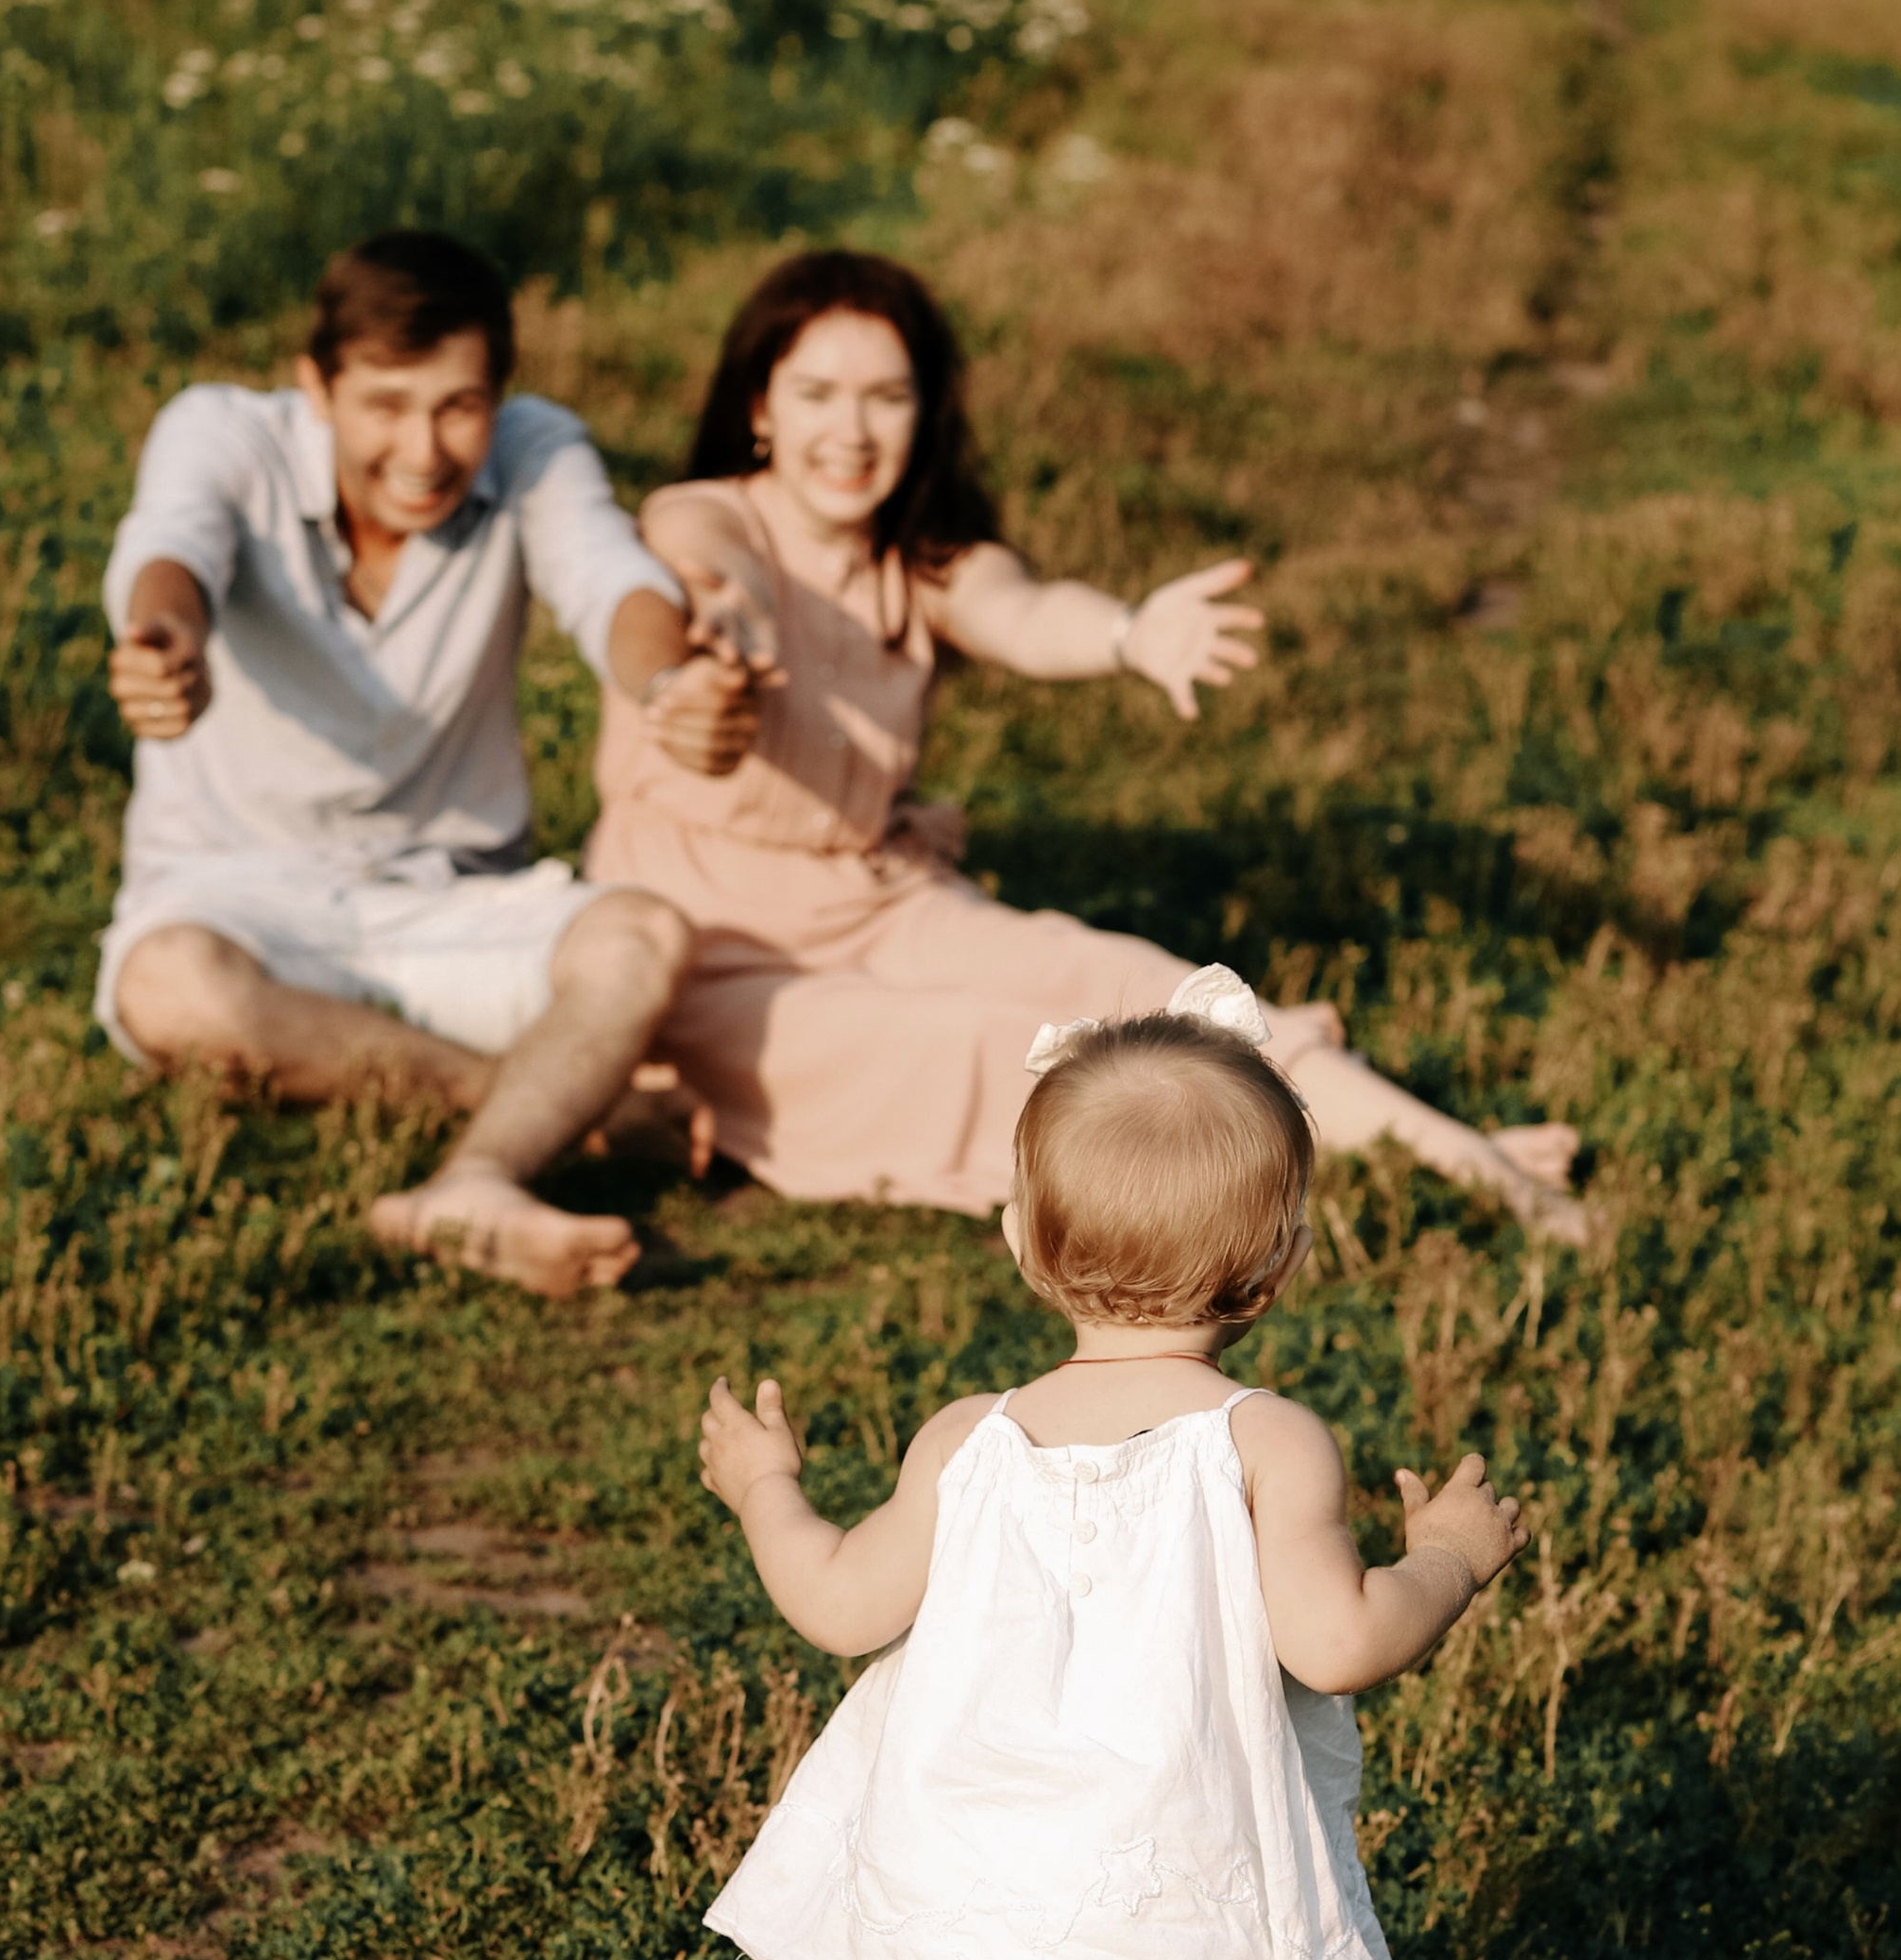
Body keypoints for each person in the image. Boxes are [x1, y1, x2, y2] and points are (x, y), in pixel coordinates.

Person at [694, 968, 1529, 1960]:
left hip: (970, 1878)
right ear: (1281, 1267)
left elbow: (839, 1605)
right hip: (1190, 1871)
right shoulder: (1268, 1441)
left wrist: (765, 1490)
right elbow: (1343, 1643)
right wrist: (1447, 1562)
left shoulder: (968, 1438)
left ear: (1020, 1240)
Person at [588, 248, 1587, 1238]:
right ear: (759, 409)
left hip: (880, 898)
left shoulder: (925, 561)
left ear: (923, 412)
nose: (849, 431)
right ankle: (1315, 1164)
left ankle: (1456, 1157)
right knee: (984, 1047)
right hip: (710, 940)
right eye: (815, 394)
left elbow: (1021, 612)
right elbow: (708, 568)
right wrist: (734, 628)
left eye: (885, 397)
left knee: (1136, 983)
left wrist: (1126, 635)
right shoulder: (706, 515)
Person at [98, 230, 754, 1297]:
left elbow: (611, 584)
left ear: (498, 396)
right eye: (387, 405)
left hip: (453, 900)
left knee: (642, 936)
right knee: (170, 988)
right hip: (235, 902)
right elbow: (170, 555)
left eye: (457, 406)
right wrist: (162, 645)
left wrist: (670, 686)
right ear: (317, 386)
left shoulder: (537, 450)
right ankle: (550, 1106)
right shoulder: (219, 432)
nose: (424, 449)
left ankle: (475, 1183)